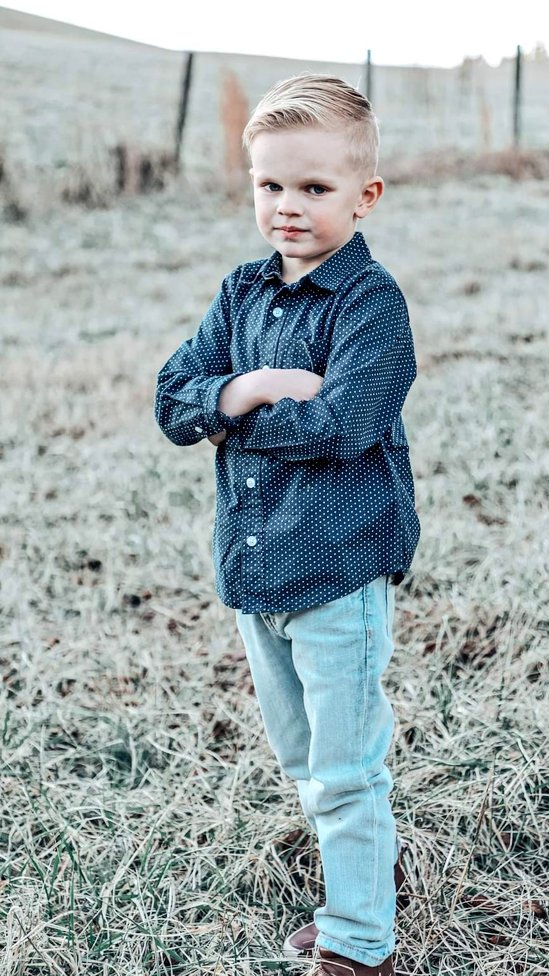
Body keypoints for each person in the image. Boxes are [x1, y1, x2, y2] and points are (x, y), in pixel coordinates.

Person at [154, 73, 420, 976]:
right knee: (307, 756)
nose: (288, 207)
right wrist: (252, 387)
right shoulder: (239, 296)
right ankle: (367, 879)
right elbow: (172, 399)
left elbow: (344, 422)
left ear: (364, 196)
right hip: (255, 570)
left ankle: (358, 942)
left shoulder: (370, 306)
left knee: (346, 766)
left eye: (314, 188)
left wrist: (224, 417)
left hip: (336, 571)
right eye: (271, 185)